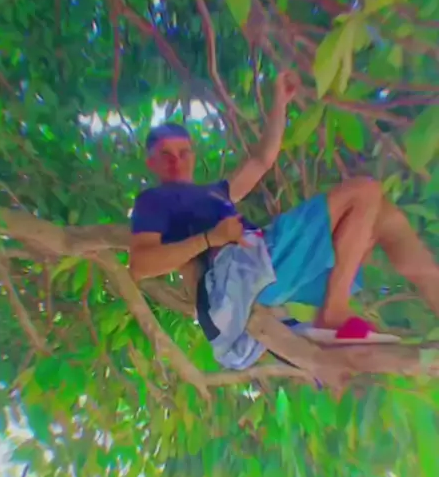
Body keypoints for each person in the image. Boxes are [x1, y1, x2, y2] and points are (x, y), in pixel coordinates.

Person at [129, 72, 439, 370]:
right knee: (364, 191)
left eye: (184, 152)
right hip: (240, 272)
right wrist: (210, 238)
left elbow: (261, 160)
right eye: (166, 154)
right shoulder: (154, 201)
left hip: (265, 267)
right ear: (151, 162)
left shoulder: (215, 193)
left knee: (383, 214)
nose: (177, 161)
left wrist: (280, 102)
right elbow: (141, 265)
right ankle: (334, 312)